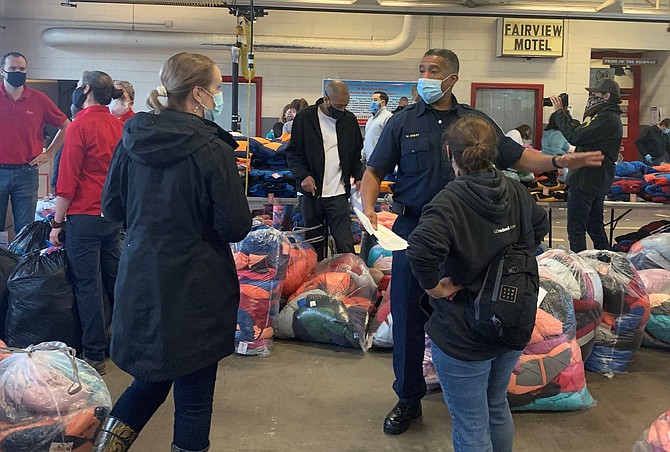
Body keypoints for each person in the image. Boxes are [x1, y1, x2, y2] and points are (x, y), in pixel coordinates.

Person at [360, 48, 603, 436]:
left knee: (477, 314)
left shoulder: (475, 123)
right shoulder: (402, 123)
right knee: (407, 319)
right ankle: (408, 399)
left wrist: (559, 163)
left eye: (433, 70)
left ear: (452, 78)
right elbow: (374, 170)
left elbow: (521, 157)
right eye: (421, 69)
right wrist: (368, 205)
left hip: (470, 238)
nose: (425, 76)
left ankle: (481, 392)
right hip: (415, 235)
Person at [97, 52, 251, 452]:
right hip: (197, 285)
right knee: (195, 393)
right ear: (198, 94)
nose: (218, 97)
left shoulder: (132, 139)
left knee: (149, 379)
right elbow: (234, 226)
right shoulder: (212, 150)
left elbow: (112, 209)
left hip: (142, 275)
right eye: (217, 89)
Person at [407, 115, 549, 452]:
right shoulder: (515, 189)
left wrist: (434, 288)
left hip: (464, 331)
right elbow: (540, 225)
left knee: (471, 423)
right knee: (496, 407)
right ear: (494, 153)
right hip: (512, 319)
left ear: (448, 153)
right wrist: (510, 258)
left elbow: (420, 250)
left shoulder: (448, 202)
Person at [48, 71, 124, 376]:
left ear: (87, 89)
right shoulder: (119, 126)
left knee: (87, 285)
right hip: (111, 217)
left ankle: (94, 354)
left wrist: (56, 222)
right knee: (115, 279)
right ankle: (121, 344)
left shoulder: (79, 126)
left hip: (83, 216)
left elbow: (67, 181)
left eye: (79, 87)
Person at [286, 80, 363, 261]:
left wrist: (359, 176)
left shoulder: (349, 120)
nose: (342, 110)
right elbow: (293, 154)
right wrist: (303, 176)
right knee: (314, 245)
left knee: (345, 245)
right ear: (326, 99)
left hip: (338, 193)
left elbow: (354, 156)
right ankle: (316, 283)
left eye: (345, 106)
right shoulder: (305, 118)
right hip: (312, 194)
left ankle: (349, 282)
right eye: (338, 105)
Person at [549, 78, 623, 253]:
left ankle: (580, 269)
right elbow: (582, 132)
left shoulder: (606, 118)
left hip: (586, 179)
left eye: (595, 95)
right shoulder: (606, 117)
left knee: (576, 230)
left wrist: (559, 113)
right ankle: (606, 262)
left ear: (606, 96)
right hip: (596, 179)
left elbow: (575, 136)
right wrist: (566, 114)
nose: (591, 98)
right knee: (594, 226)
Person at [0, 51, 70, 233]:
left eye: (22, 69)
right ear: (2, 71)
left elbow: (66, 126)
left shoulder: (39, 99)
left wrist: (50, 153)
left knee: (25, 230)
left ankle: (22, 262)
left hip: (27, 171)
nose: (18, 72)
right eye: (12, 68)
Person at [363, 91, 393, 165]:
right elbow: (367, 140)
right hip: (369, 160)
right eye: (372, 100)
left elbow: (390, 140)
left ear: (382, 102)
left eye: (375, 100)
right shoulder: (371, 119)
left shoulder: (388, 117)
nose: (372, 102)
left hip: (381, 162)